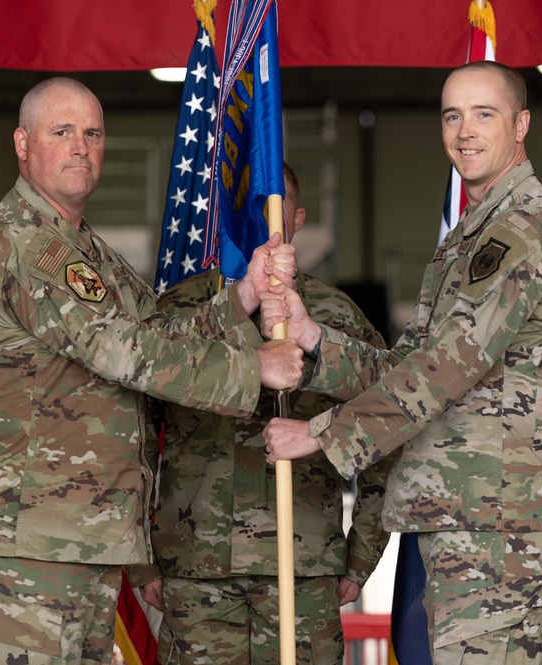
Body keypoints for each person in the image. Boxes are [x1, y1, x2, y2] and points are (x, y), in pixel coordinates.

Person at [0, 76, 303, 665]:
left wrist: (243, 297)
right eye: (62, 132)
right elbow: (119, 350)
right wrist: (250, 368)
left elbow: (154, 334)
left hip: (79, 540)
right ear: (22, 143)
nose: (80, 146)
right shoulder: (21, 244)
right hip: (23, 546)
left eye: (93, 133)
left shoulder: (91, 255)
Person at [261, 61, 542, 664]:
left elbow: (447, 367)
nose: (465, 130)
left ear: (521, 125)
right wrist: (313, 340)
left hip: (497, 517)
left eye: (483, 114)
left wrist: (320, 434)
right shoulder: (470, 237)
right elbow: (410, 361)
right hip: (467, 511)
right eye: (452, 115)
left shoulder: (522, 231)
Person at [129, 163, 395, 665]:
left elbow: (387, 424)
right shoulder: (180, 309)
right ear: (229, 220)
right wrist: (142, 561)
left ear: (297, 220)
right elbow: (134, 434)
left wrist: (361, 556)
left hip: (303, 568)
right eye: (252, 213)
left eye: (276, 214)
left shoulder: (335, 317)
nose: (265, 228)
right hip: (195, 569)